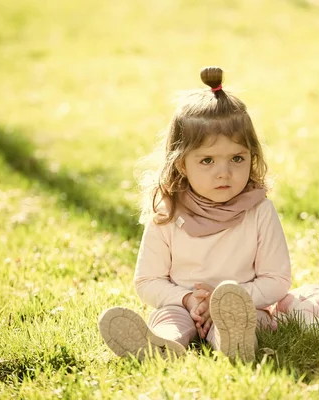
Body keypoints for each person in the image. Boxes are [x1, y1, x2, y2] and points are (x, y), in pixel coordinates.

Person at [98, 66, 292, 363]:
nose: (224, 172)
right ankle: (164, 345)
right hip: (182, 304)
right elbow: (148, 281)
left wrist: (227, 301)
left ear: (252, 156)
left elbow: (276, 279)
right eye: (207, 160)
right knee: (170, 319)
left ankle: (232, 341)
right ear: (181, 165)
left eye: (237, 158)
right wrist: (186, 299)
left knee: (252, 319)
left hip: (243, 303)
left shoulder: (259, 210)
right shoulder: (167, 212)